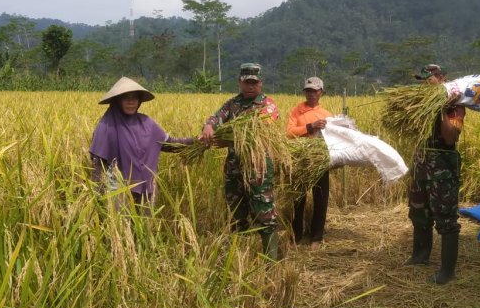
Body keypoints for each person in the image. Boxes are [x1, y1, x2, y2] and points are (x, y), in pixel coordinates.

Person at [200, 63, 280, 260]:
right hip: (234, 168)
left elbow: (258, 132)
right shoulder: (232, 104)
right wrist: (209, 127)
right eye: (247, 82)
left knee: (265, 213)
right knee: (237, 212)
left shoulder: (268, 106)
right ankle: (239, 260)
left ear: (260, 83)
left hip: (258, 168)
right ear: (240, 82)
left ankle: (271, 260)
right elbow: (217, 117)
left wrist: (228, 139)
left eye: (254, 82)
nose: (250, 86)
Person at [89, 76, 193, 206]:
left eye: (135, 97)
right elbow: (98, 164)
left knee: (147, 225)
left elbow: (170, 144)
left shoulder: (147, 123)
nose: (131, 102)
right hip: (118, 189)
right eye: (126, 97)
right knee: (122, 226)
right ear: (117, 100)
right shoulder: (106, 127)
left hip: (147, 189)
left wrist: (197, 141)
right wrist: (97, 197)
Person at [405, 64, 465, 284]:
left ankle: (447, 271)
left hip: (442, 167)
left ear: (441, 78)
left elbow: (450, 137)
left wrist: (440, 108)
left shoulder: (455, 106)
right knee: (418, 211)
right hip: (421, 163)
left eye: (428, 78)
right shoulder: (418, 105)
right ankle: (420, 255)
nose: (424, 82)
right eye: (422, 79)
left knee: (445, 216)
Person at [286, 76, 332, 249]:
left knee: (321, 199)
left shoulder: (327, 115)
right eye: (308, 91)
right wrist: (310, 127)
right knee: (298, 199)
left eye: (314, 91)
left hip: (319, 161)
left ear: (321, 92)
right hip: (300, 160)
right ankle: (296, 236)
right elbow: (289, 133)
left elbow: (332, 140)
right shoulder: (296, 111)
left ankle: (316, 238)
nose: (310, 94)